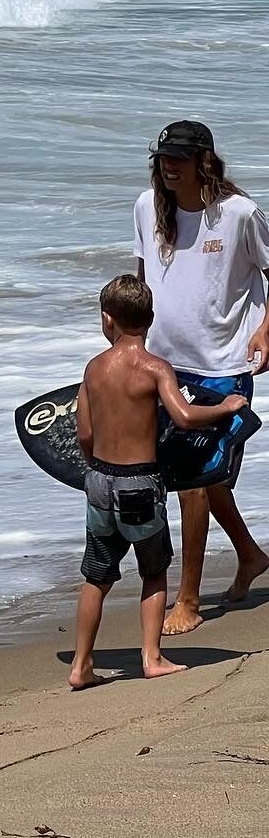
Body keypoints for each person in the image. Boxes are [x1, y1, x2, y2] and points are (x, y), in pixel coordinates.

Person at [70, 275, 247, 690]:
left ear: (106, 320)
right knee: (152, 571)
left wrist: (92, 466)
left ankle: (80, 665)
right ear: (150, 321)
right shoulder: (155, 368)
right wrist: (224, 406)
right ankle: (151, 658)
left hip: (99, 480)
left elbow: (84, 432)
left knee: (97, 575)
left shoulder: (94, 368)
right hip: (139, 484)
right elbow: (184, 416)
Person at [133, 119, 269, 635]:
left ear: (204, 162)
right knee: (199, 480)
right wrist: (131, 347)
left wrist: (266, 334)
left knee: (193, 485)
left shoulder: (239, 214)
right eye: (165, 156)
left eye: (181, 158)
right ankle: (251, 556)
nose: (170, 165)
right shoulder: (148, 206)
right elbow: (144, 278)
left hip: (224, 366)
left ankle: (187, 598)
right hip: (163, 363)